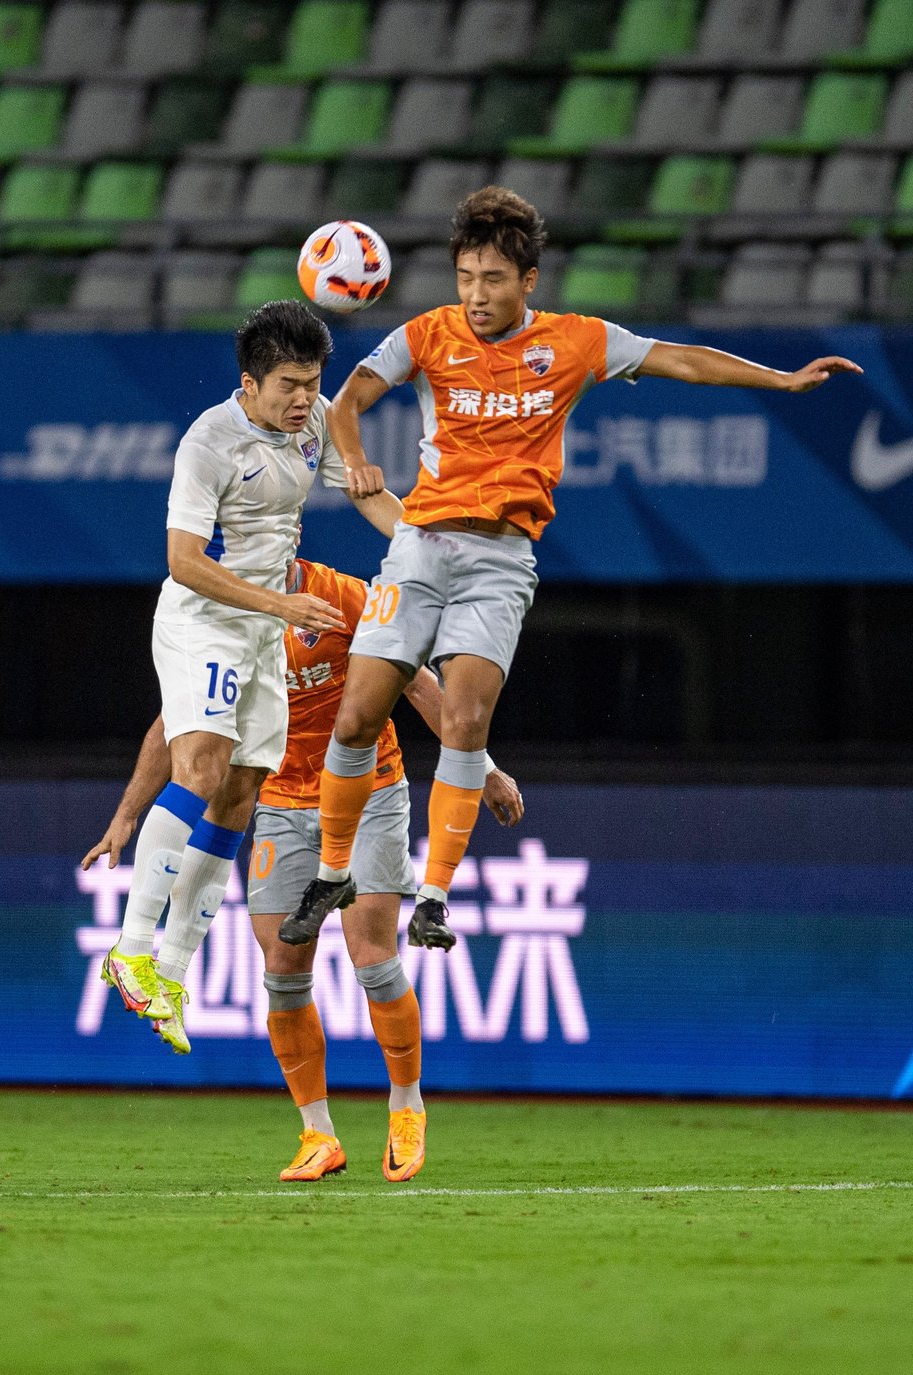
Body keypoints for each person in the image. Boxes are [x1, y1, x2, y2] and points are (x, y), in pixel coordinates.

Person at [283, 184, 865, 951]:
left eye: (492, 279)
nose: (477, 294)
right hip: (419, 545)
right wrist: (354, 461)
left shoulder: (577, 341)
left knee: (464, 721)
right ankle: (331, 873)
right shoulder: (429, 334)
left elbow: (679, 359)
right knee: (359, 713)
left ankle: (433, 898)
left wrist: (781, 380)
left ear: (528, 281)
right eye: (465, 278)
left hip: (500, 559)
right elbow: (351, 397)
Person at [83, 552, 524, 1182]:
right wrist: (126, 817)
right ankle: (319, 1133)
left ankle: (406, 1107)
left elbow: (421, 686)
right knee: (284, 970)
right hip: (283, 803)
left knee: (371, 951)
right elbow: (173, 724)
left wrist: (484, 770)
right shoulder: (223, 617)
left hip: (368, 790)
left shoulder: (345, 598)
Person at [94, 299, 403, 1060]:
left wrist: (427, 548)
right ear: (249, 380)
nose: (305, 399)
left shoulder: (313, 420)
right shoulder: (209, 441)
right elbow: (184, 559)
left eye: (313, 382)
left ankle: (169, 969)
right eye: (290, 384)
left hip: (264, 628)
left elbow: (365, 493)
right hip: (206, 618)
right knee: (200, 766)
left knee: (239, 790)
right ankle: (130, 948)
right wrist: (281, 602)